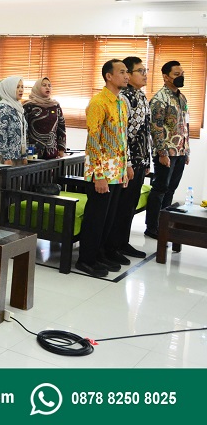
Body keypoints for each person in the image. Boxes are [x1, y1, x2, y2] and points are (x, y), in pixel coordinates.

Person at [76, 59, 129, 278]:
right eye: (122, 72)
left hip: (116, 171)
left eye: (127, 72)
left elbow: (122, 139)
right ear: (109, 76)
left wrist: (124, 170)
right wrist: (99, 175)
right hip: (102, 173)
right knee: (96, 218)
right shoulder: (98, 102)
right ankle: (86, 259)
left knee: (109, 218)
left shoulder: (121, 102)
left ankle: (99, 254)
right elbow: (93, 141)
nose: (126, 76)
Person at [105, 56, 151, 260]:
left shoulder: (141, 96)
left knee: (130, 206)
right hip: (127, 163)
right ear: (129, 75)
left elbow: (144, 132)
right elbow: (124, 135)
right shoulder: (125, 98)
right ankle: (113, 247)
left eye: (145, 71)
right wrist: (128, 163)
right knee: (121, 207)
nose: (145, 75)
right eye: (140, 71)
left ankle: (123, 243)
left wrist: (147, 160)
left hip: (140, 160)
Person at [145, 60, 190, 239]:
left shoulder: (182, 97)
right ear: (166, 77)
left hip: (180, 151)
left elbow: (185, 125)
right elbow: (155, 128)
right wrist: (162, 153)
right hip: (166, 153)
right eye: (177, 74)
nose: (181, 77)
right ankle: (152, 227)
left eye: (182, 74)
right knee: (160, 189)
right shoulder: (159, 99)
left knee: (171, 189)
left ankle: (164, 224)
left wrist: (186, 150)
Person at [23, 78, 67, 160]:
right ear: (37, 88)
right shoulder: (28, 106)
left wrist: (61, 149)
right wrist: (25, 152)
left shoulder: (55, 106)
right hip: (32, 151)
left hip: (52, 152)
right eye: (44, 85)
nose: (47, 87)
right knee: (33, 168)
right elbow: (24, 130)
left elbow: (61, 128)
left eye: (49, 85)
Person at [0, 76, 27, 165]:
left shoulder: (18, 108)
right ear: (9, 89)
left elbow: (23, 134)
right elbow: (0, 133)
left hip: (17, 155)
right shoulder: (3, 108)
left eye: (22, 87)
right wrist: (6, 157)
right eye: (17, 87)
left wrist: (24, 155)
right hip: (5, 158)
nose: (21, 90)